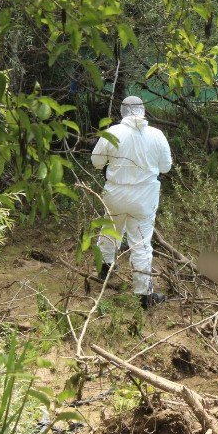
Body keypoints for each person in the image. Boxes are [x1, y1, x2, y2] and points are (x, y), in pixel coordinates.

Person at [91, 96, 172, 309]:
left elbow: (96, 162)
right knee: (141, 244)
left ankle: (105, 269)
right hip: (144, 198)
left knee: (110, 230)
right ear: (143, 110)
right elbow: (165, 167)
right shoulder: (157, 135)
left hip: (115, 193)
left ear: (122, 112)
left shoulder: (113, 132)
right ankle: (144, 295)